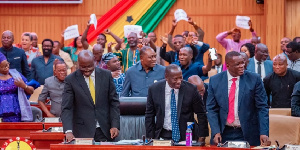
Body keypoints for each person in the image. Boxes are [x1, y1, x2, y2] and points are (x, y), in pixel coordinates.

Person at [206, 51, 269, 146]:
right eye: (237, 64)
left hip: (247, 133)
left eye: (242, 62)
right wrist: (215, 131)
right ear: (228, 65)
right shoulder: (215, 80)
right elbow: (211, 109)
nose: (242, 66)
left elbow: (262, 107)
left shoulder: (254, 79)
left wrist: (264, 132)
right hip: (223, 132)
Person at [61, 50, 120, 142]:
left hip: (105, 130)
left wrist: (115, 125)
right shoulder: (70, 80)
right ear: (78, 64)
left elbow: (114, 102)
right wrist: (68, 131)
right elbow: (67, 107)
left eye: (89, 66)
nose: (87, 69)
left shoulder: (106, 75)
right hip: (82, 132)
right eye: (83, 67)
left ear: (95, 62)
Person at [145, 64, 208, 143]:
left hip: (186, 136)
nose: (179, 81)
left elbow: (201, 113)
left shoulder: (191, 89)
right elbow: (149, 115)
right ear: (166, 77)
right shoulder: (154, 89)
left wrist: (202, 136)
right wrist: (150, 137)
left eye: (180, 78)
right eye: (175, 79)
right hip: (163, 135)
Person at [0, 52, 34, 122]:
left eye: (7, 65)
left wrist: (24, 86)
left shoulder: (15, 75)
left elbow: (31, 91)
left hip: (17, 113)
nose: (7, 68)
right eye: (3, 67)